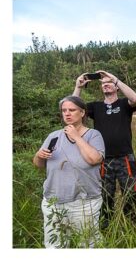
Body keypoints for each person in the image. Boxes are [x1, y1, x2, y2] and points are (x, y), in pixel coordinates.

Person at [33, 96, 105, 248]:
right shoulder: (54, 136)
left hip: (84, 203)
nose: (67, 113)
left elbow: (94, 159)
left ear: (82, 112)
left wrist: (77, 137)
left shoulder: (93, 135)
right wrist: (39, 156)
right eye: (64, 110)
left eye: (72, 110)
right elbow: (38, 164)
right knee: (55, 246)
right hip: (53, 202)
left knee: (87, 245)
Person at [73, 70, 136, 229]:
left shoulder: (124, 104)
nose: (106, 85)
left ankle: (131, 226)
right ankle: (106, 227)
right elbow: (73, 107)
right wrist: (78, 87)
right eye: (103, 83)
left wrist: (115, 79)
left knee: (130, 193)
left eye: (109, 82)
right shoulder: (96, 107)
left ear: (116, 86)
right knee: (105, 195)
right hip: (103, 159)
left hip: (125, 158)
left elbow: (135, 98)